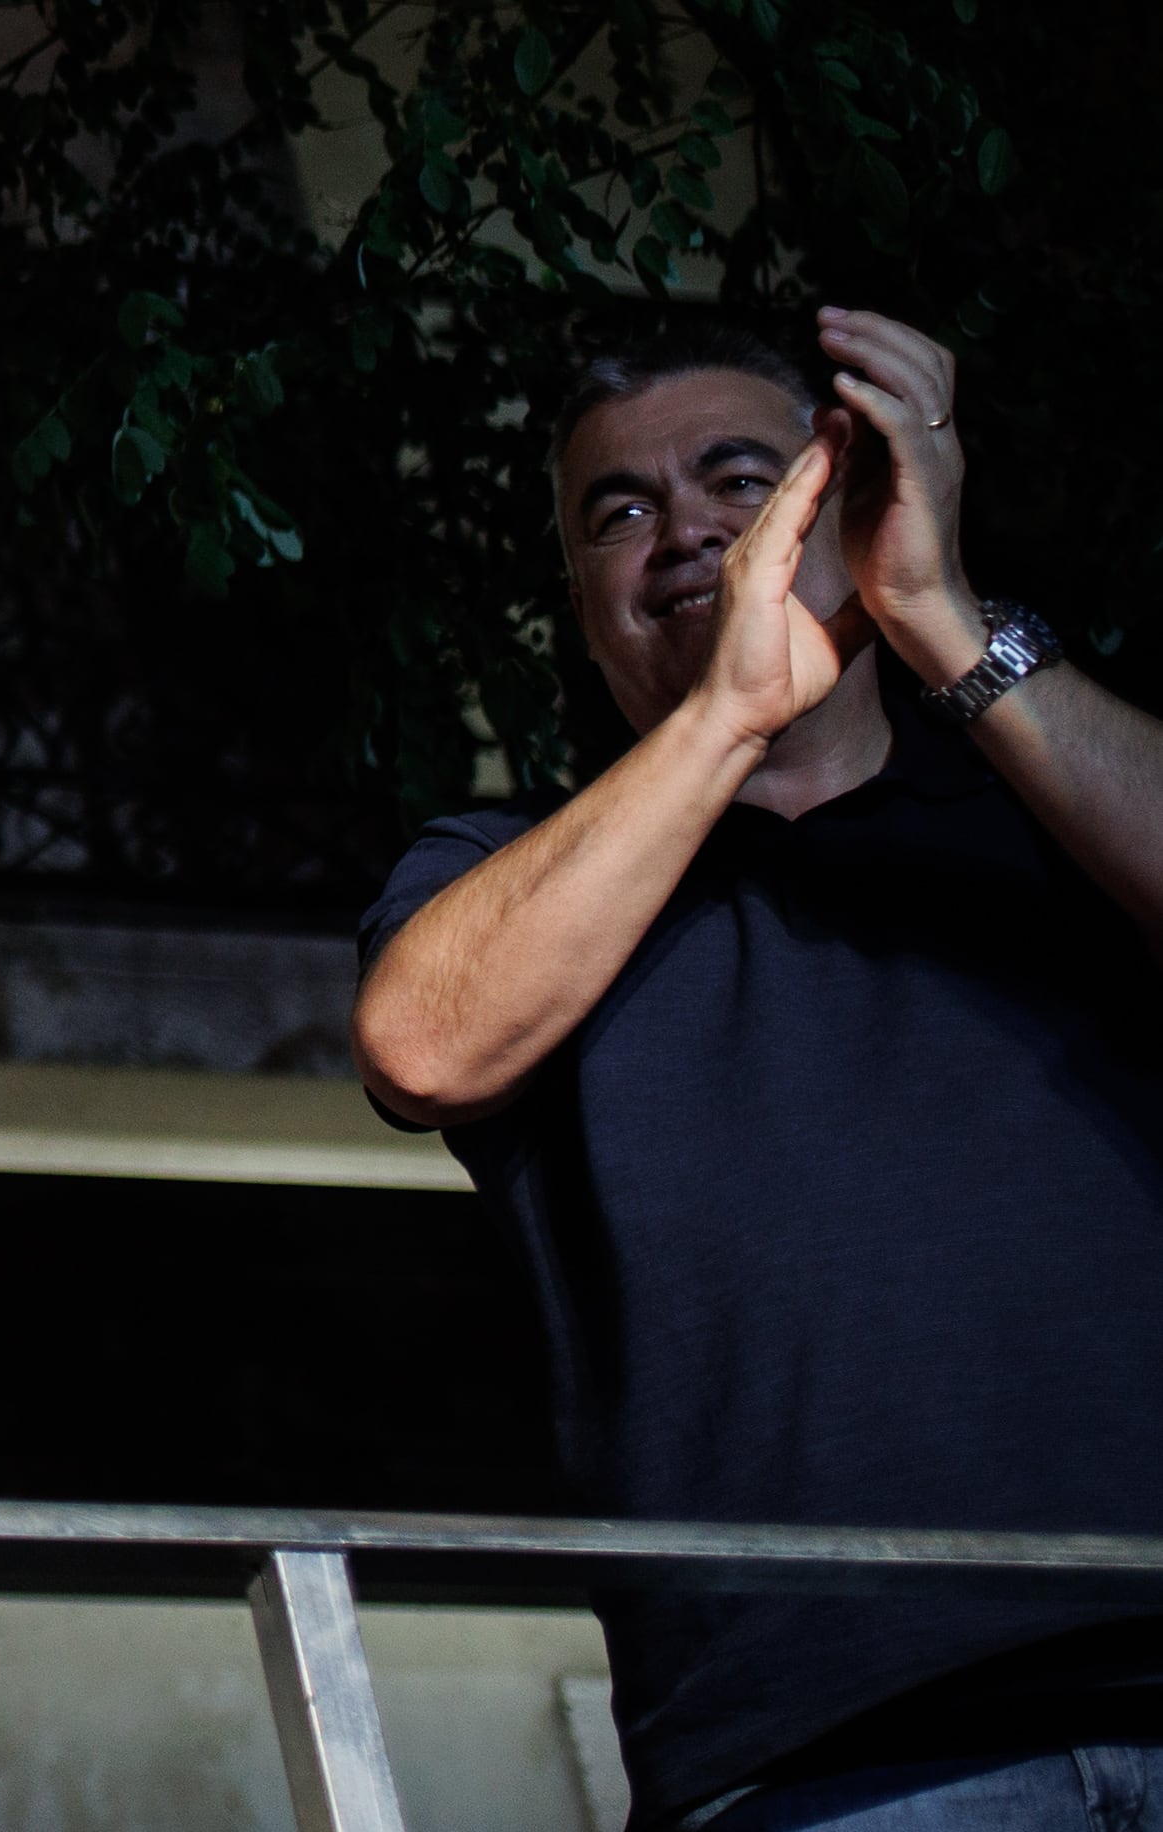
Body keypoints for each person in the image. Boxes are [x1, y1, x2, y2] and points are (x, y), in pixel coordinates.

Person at [357, 309, 1163, 1830]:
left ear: (852, 507)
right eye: (623, 510)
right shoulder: (504, 872)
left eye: (741, 480)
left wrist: (935, 612)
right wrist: (732, 711)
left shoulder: (1063, 811)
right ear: (588, 606)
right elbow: (422, 1041)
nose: (685, 534)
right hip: (833, 1757)